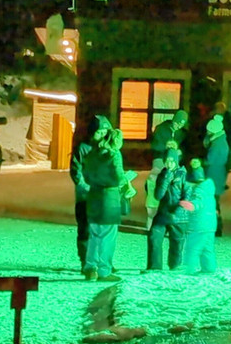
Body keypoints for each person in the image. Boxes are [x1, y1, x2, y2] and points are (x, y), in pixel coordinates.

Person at [82, 125, 132, 281]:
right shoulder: (114, 154)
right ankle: (104, 271)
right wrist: (126, 179)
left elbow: (87, 175)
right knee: (108, 237)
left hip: (94, 197)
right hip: (109, 199)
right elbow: (118, 177)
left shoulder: (92, 153)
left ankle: (90, 268)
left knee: (94, 235)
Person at [70, 115, 111, 271]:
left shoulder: (107, 148)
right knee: (86, 229)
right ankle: (86, 262)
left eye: (104, 132)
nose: (101, 136)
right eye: (99, 132)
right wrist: (86, 187)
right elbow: (76, 171)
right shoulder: (83, 148)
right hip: (85, 197)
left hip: (103, 197)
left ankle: (102, 262)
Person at [147, 148, 192, 271]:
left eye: (172, 161)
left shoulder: (184, 175)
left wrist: (178, 211)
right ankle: (154, 266)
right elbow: (158, 195)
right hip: (163, 214)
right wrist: (166, 179)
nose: (169, 163)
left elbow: (187, 196)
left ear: (176, 161)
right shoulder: (163, 174)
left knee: (176, 243)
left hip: (179, 216)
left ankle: (175, 266)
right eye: (166, 161)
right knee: (154, 237)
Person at [183, 159, 218, 274]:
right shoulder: (209, 189)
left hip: (199, 225)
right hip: (210, 225)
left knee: (193, 248)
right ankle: (209, 268)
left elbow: (198, 202)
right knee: (207, 249)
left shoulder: (199, 189)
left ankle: (188, 269)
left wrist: (191, 205)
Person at [203, 116, 230, 236]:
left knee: (213, 202)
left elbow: (210, 159)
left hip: (214, 176)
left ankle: (216, 226)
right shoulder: (220, 141)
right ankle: (215, 226)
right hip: (217, 176)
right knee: (214, 201)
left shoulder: (217, 144)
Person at [144, 157, 164, 232]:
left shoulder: (149, 177)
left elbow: (146, 188)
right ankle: (156, 231)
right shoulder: (162, 178)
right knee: (157, 217)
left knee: (150, 217)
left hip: (149, 200)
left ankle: (149, 229)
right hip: (158, 201)